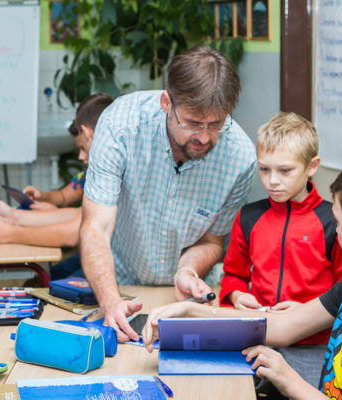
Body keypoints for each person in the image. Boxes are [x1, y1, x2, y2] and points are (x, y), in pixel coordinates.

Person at [142, 156, 342, 400]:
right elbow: (284, 327)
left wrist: (291, 381)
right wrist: (191, 312)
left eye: (337, 222)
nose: (335, 231)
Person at [80, 46, 257, 341]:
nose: (203, 136)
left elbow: (212, 241)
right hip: (121, 286)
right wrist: (110, 301)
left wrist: (185, 272)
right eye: (192, 123)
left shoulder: (240, 158)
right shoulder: (120, 126)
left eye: (216, 125)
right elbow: (95, 228)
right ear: (166, 102)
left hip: (189, 299)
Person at [219, 111, 342, 388]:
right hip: (258, 336)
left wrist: (308, 312)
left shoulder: (334, 222)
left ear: (312, 166)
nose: (272, 181)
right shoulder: (248, 217)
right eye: (264, 169)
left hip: (315, 344)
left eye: (285, 170)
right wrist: (236, 295)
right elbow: (233, 274)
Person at [0, 94, 114, 278]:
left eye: (83, 147)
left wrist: (10, 233)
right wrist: (13, 216)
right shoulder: (100, 171)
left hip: (110, 264)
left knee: (44, 283)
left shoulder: (112, 172)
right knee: (40, 280)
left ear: (88, 133)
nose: (81, 157)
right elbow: (78, 214)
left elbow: (71, 233)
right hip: (99, 256)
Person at [22, 123, 86, 210]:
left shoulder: (107, 179)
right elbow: (63, 197)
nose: (80, 156)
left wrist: (55, 212)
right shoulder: (87, 176)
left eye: (84, 148)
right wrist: (40, 196)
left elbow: (83, 217)